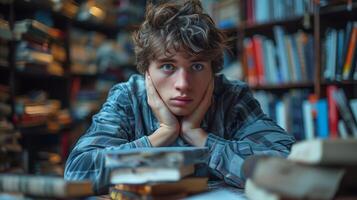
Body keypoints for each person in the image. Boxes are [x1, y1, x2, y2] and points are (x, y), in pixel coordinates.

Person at [65, 0, 295, 194]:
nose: (183, 84)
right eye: (167, 66)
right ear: (147, 71)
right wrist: (162, 134)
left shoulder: (231, 97)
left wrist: (201, 138)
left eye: (196, 66)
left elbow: (290, 165)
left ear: (213, 72)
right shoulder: (128, 97)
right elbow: (77, 172)